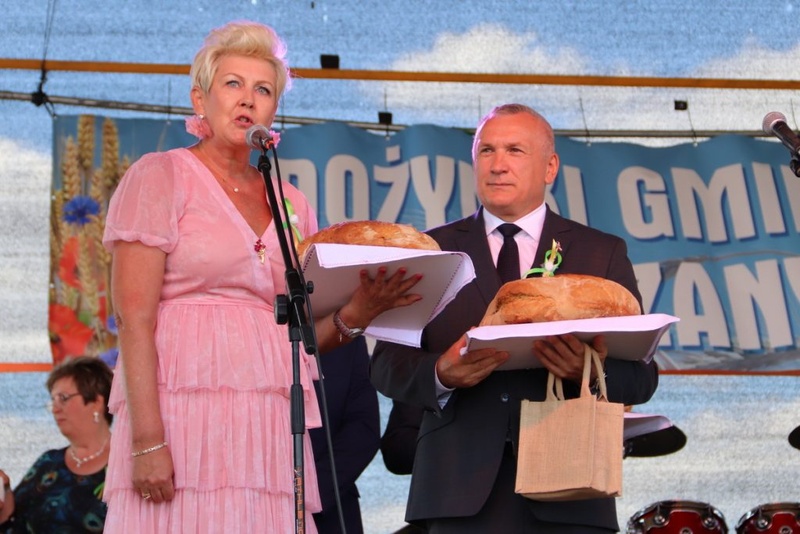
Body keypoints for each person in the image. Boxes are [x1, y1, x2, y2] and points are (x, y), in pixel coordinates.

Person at [100, 20, 422, 533]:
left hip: (264, 428)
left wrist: (359, 314)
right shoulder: (160, 175)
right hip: (178, 419)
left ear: (274, 112)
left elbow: (299, 340)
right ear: (200, 99)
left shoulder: (291, 202)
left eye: (264, 90)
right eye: (233, 84)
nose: (248, 99)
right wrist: (146, 441)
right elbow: (133, 318)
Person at [370, 103, 660, 533]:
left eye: (515, 150)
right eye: (486, 151)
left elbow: (643, 378)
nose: (498, 164)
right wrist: (441, 373)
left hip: (571, 490)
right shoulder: (430, 251)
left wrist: (587, 370)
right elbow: (385, 366)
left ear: (550, 167)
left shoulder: (601, 252)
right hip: (457, 494)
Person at [0, 356, 113, 533]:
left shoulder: (130, 465)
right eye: (53, 400)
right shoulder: (48, 462)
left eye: (63, 398)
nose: (55, 408)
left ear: (96, 402)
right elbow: (12, 522)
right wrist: (4, 490)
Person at [310, 337, 379, 534]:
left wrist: (309, 492)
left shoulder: (344, 339)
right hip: (245, 507)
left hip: (330, 509)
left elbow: (364, 429)